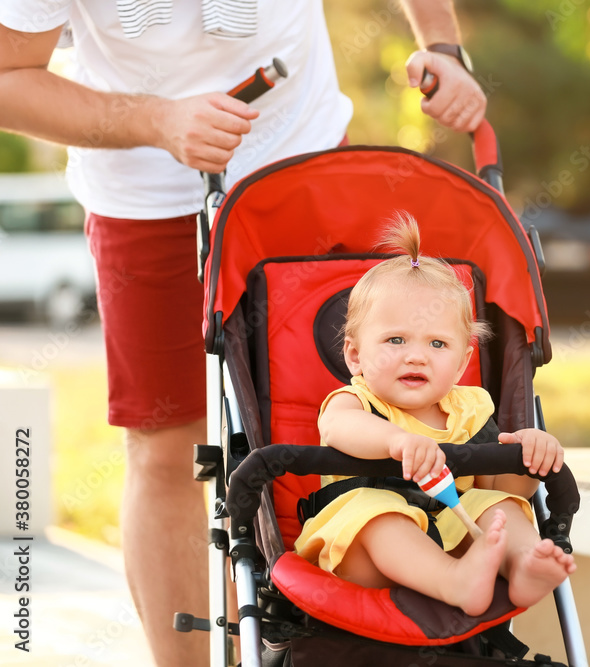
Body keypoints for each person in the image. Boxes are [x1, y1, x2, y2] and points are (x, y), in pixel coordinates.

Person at [0, 2, 486, 665]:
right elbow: (7, 75)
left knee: (320, 422)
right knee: (165, 442)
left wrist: (443, 47)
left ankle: (317, 647)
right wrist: (158, 120)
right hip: (146, 198)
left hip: (301, 166)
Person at [294, 212, 575, 616]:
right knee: (378, 512)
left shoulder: (470, 409)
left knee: (498, 507)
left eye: (437, 344)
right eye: (395, 339)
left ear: (462, 363)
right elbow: (339, 429)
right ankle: (453, 582)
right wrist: (397, 441)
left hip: (451, 533)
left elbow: (503, 486)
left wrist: (530, 457)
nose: (416, 356)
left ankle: (525, 563)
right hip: (363, 553)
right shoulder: (356, 402)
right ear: (355, 355)